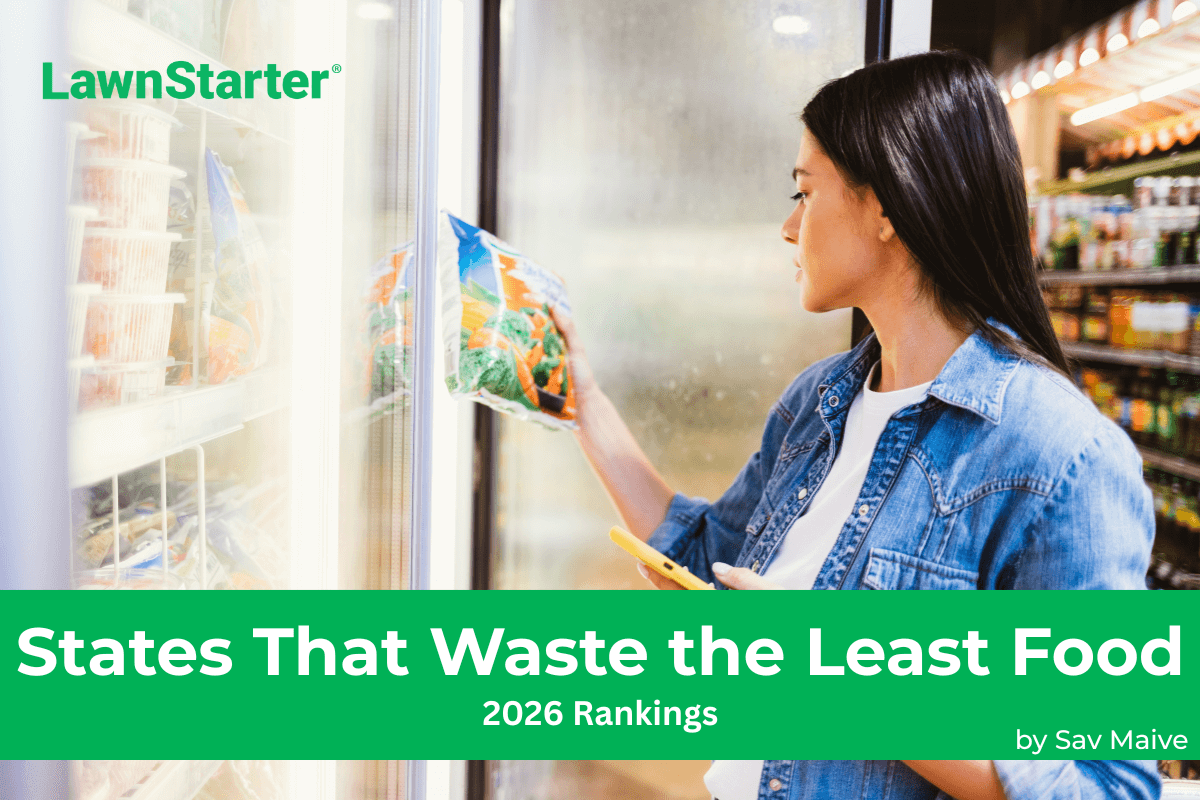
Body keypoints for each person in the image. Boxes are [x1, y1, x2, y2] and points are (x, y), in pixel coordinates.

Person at [552, 51, 1160, 800]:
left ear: (886, 209)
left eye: (804, 193)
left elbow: (1105, 784)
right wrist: (582, 404)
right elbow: (711, 564)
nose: (788, 227)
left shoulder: (1061, 459)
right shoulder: (818, 402)